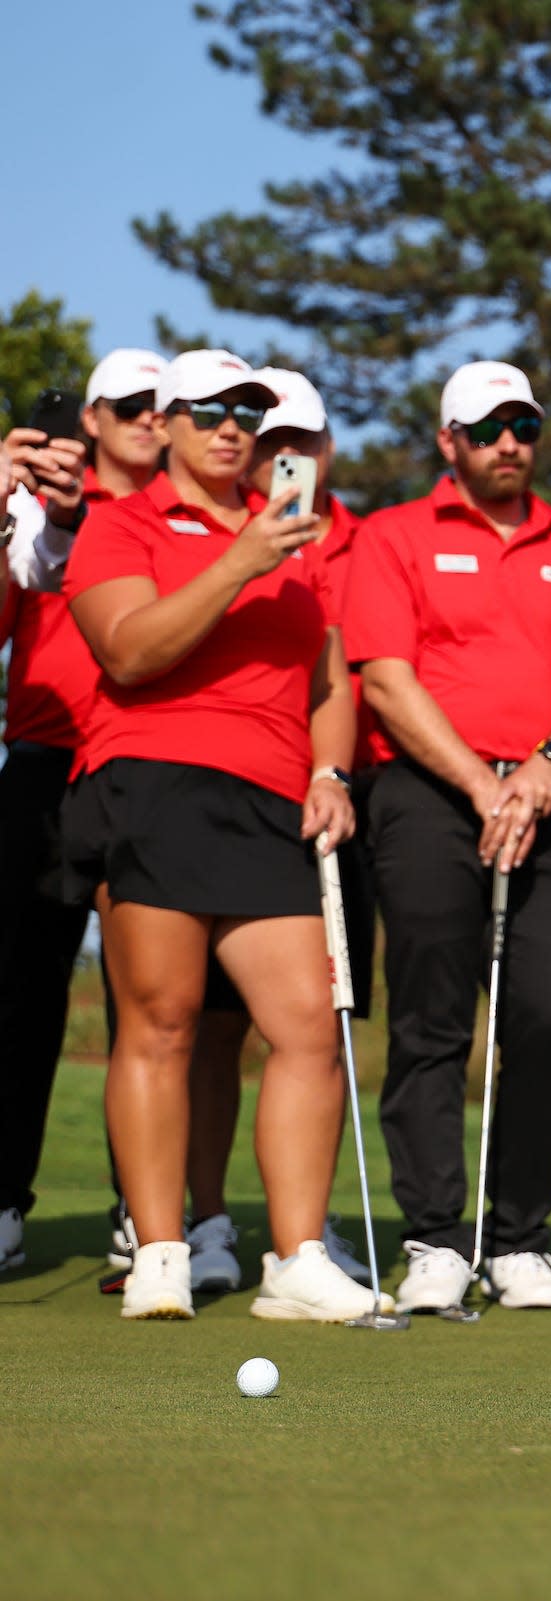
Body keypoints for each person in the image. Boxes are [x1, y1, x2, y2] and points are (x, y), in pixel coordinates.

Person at [61, 348, 382, 1321]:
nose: (232, 426)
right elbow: (129, 647)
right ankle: (161, 1247)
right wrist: (242, 559)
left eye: (247, 409)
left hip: (272, 797)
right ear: (163, 423)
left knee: (308, 1026)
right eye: (207, 410)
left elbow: (329, 677)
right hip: (151, 778)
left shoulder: (293, 540)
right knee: (163, 1020)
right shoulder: (120, 524)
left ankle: (296, 1258)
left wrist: (331, 771)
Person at [349, 360, 551, 1314]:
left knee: (545, 1020)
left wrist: (544, 766)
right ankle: (434, 1235)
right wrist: (481, 783)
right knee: (431, 1020)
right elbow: (385, 678)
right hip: (430, 795)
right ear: (448, 443)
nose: (509, 442)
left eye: (524, 424)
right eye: (486, 428)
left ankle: (518, 1238)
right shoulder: (394, 537)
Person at [2, 348, 166, 1278]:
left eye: (161, 402)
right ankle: (3, 1203)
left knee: (150, 998)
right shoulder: (32, 513)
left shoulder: (186, 517)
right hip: (42, 766)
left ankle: (143, 1214)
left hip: (145, 767)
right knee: (22, 994)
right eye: (130, 403)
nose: (151, 416)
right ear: (91, 421)